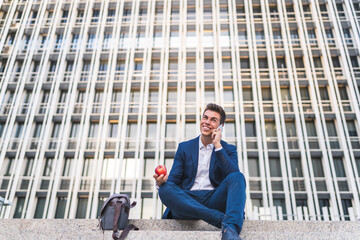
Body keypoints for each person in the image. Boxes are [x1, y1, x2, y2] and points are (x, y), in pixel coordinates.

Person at [153, 103, 246, 240]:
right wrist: (161, 182)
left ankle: (230, 232)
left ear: (221, 127)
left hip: (214, 199)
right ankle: (221, 220)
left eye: (213, 120)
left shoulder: (228, 149)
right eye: (205, 118)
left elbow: (233, 177)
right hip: (188, 200)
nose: (207, 122)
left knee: (238, 177)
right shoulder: (184, 148)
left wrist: (218, 146)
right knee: (165, 188)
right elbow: (173, 182)